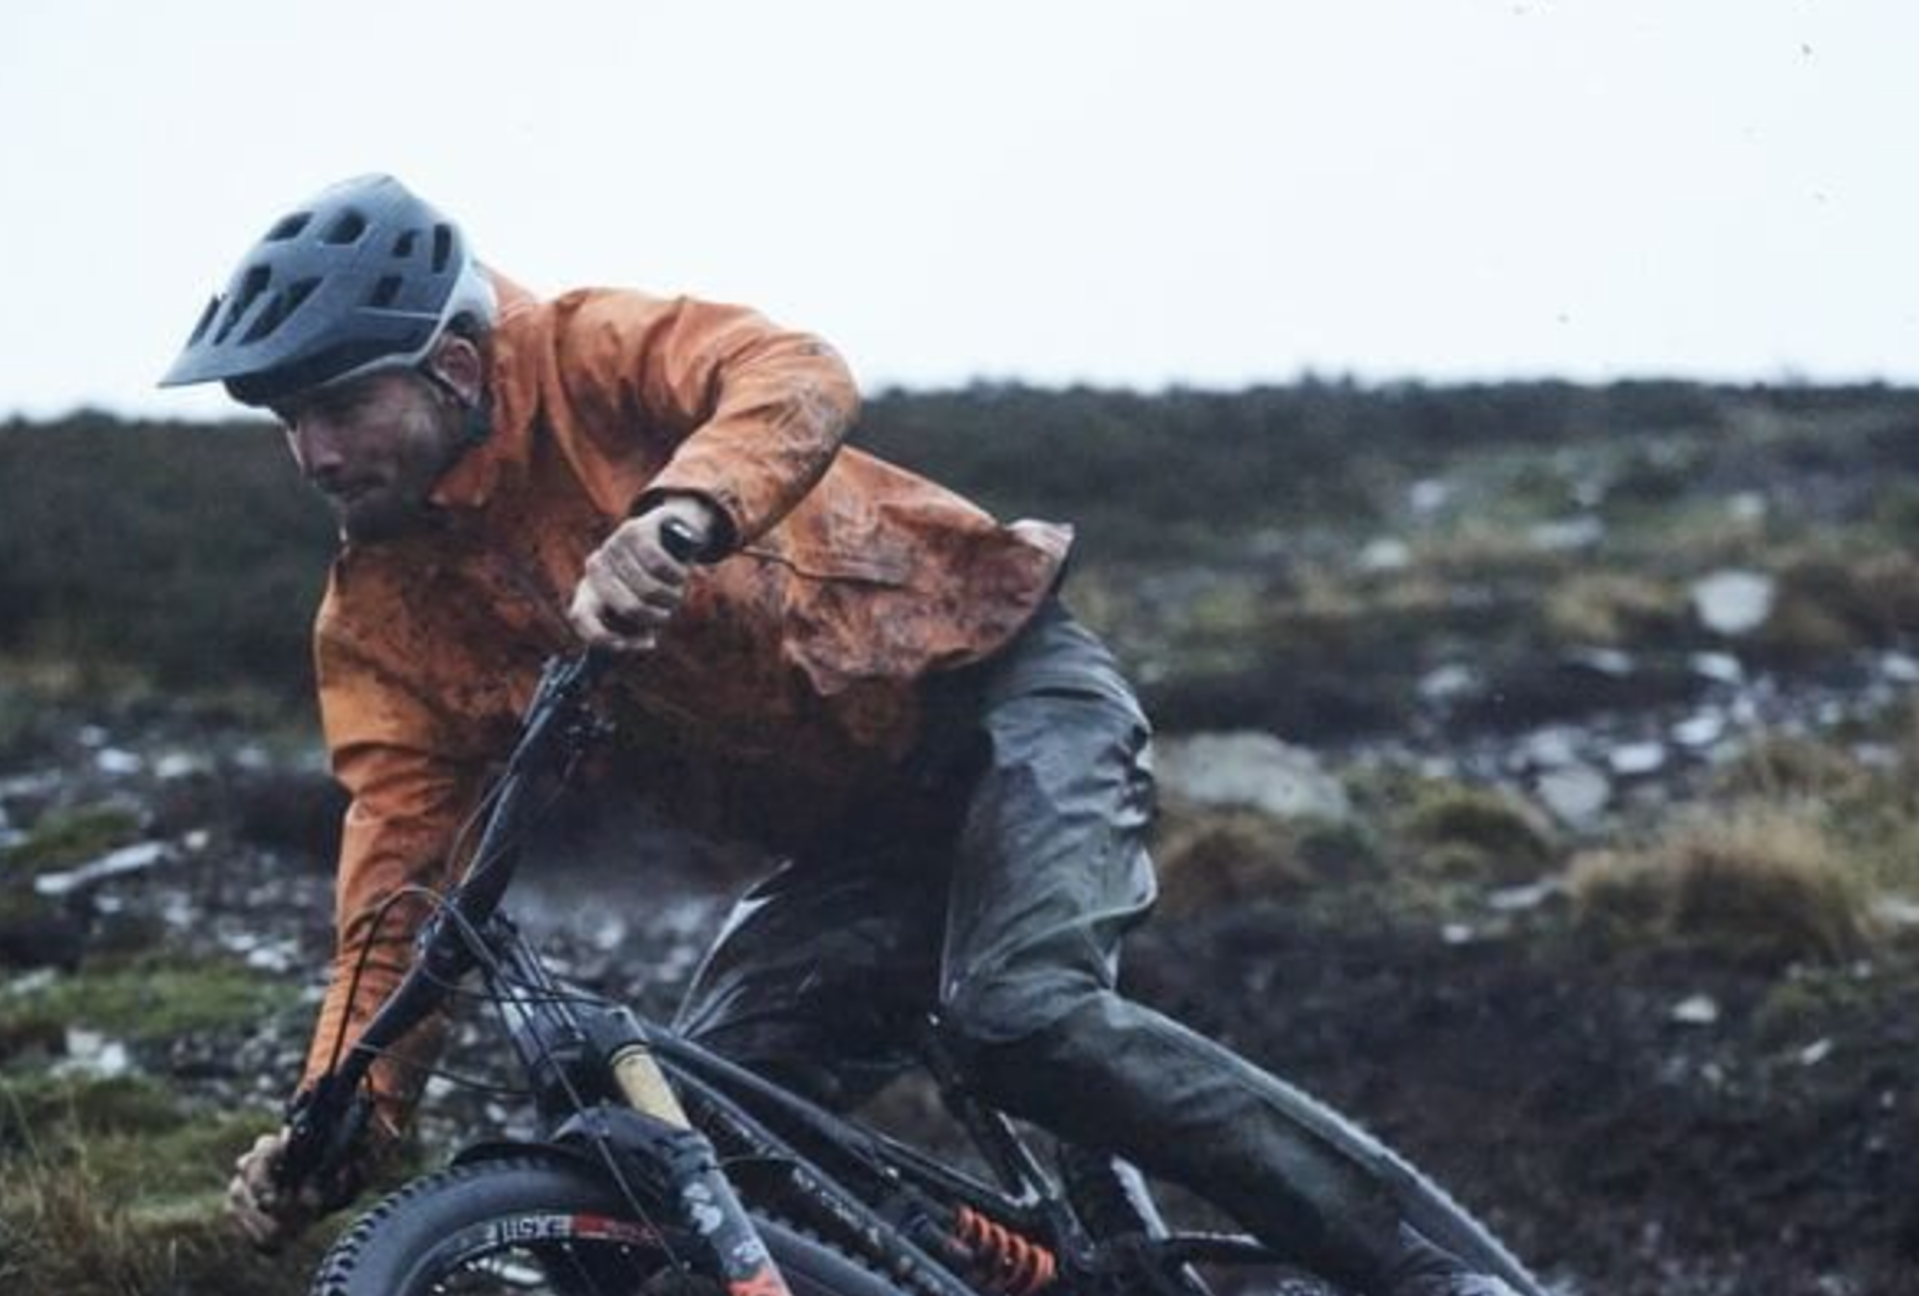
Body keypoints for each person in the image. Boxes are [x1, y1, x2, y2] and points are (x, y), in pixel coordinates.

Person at [161, 174, 1529, 1296]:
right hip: (853, 844)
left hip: (1000, 696)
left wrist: (680, 516)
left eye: (339, 406)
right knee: (669, 1138)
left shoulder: (586, 355)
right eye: (288, 420)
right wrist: (342, 1115)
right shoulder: (386, 620)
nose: (314, 453)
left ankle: (1432, 1273)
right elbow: (398, 879)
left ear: (454, 365)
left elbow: (789, 369)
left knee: (1024, 1017)